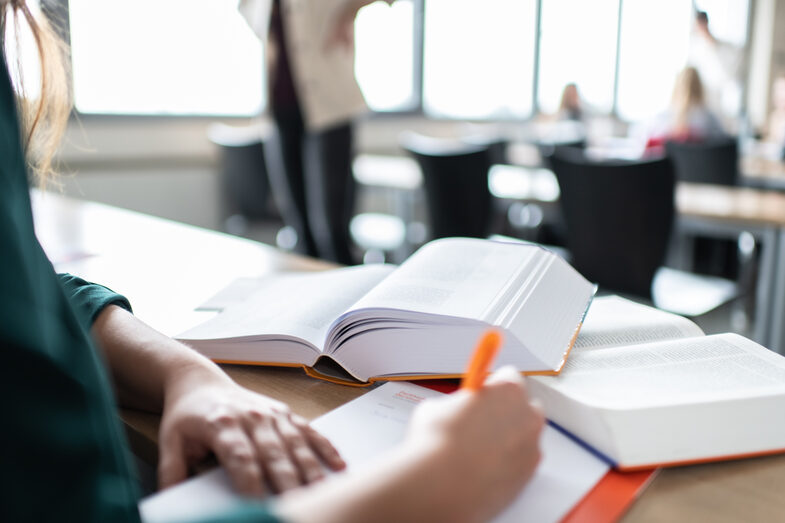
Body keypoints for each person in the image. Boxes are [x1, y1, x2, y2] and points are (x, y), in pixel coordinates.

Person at [1, 2, 544, 522]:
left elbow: (36, 290)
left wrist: (188, 375)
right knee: (309, 226)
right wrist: (427, 488)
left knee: (326, 227)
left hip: (323, 102)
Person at [238, 0, 391, 265]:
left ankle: (345, 303)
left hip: (330, 104)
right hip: (281, 105)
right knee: (300, 233)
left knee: (331, 232)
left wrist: (348, 9)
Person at [643, 66, 728, 156]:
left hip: (670, 169)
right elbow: (724, 147)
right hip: (703, 168)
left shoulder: (663, 119)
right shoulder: (709, 118)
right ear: (700, 86)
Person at [688, 10, 743, 131]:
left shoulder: (724, 49)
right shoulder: (695, 50)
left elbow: (729, 76)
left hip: (719, 105)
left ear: (706, 23)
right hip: (701, 106)